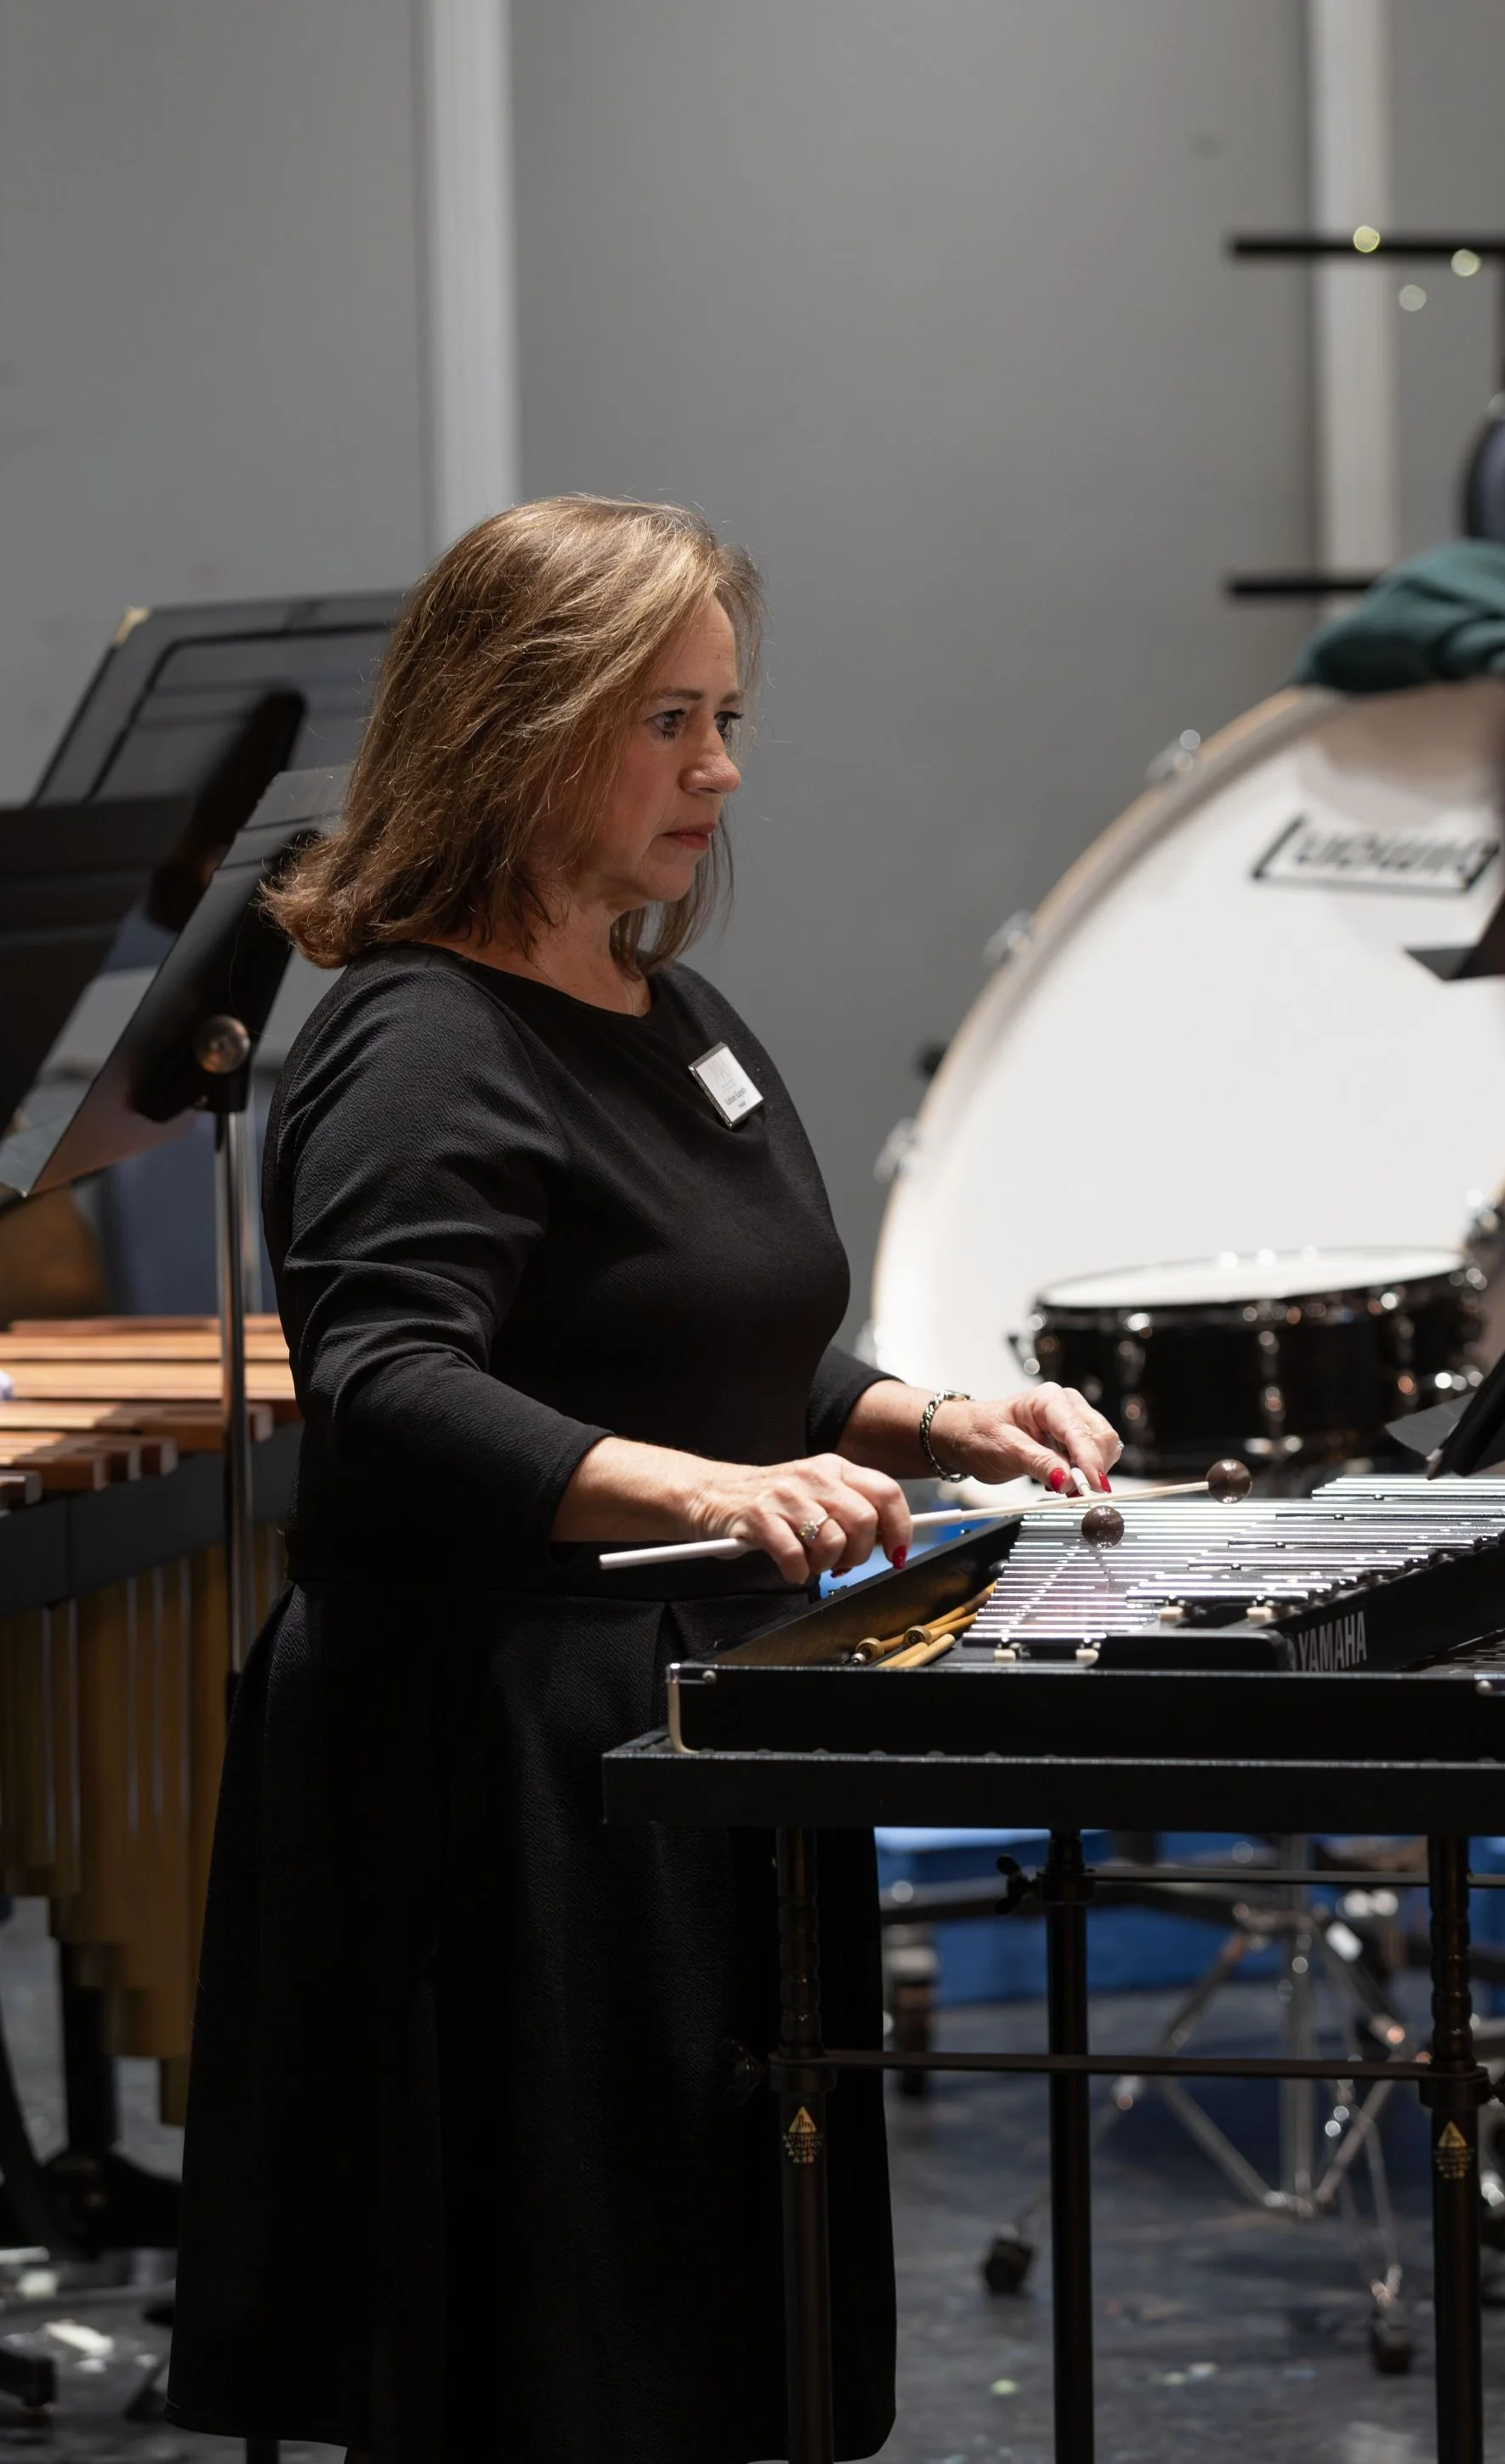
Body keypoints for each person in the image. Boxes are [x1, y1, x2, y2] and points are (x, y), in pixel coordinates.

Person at [163, 495, 1120, 2464]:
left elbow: (718, 1333)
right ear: (520, 724)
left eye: (724, 713)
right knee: (552, 2348)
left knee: (699, 2319)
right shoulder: (421, 1044)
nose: (720, 768)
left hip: (700, 1714)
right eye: (667, 720)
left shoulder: (665, 1007)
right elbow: (393, 1388)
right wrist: (712, 1484)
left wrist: (928, 1418)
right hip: (509, 1765)